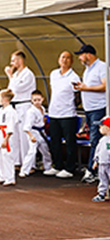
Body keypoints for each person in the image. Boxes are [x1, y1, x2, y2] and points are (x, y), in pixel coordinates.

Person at [73, 44, 107, 183]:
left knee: (95, 140)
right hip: (90, 109)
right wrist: (82, 87)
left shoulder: (102, 67)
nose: (80, 58)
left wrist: (86, 88)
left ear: (88, 54)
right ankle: (97, 169)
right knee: (95, 139)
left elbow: (105, 86)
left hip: (99, 108)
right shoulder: (87, 70)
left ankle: (92, 170)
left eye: (81, 55)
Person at [47, 51, 81, 179]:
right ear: (58, 59)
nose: (65, 60)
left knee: (69, 142)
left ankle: (70, 168)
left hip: (68, 114)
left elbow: (78, 95)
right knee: (55, 141)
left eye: (68, 58)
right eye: (62, 57)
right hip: (53, 113)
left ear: (71, 61)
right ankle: (57, 166)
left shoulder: (74, 77)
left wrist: (72, 105)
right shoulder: (53, 74)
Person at [5, 50, 37, 168]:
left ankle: (28, 164)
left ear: (20, 60)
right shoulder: (17, 75)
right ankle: (17, 161)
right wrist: (12, 77)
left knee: (24, 136)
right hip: (15, 105)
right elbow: (10, 90)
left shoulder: (28, 74)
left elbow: (18, 88)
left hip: (24, 105)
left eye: (13, 60)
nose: (11, 63)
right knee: (15, 135)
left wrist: (10, 76)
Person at [20, 90, 53, 177]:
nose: (37, 102)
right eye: (35, 100)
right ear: (31, 100)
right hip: (33, 132)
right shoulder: (30, 111)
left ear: (42, 99)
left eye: (39, 100)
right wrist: (31, 136)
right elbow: (27, 126)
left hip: (41, 132)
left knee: (45, 151)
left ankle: (48, 167)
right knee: (32, 151)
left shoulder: (42, 108)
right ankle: (24, 170)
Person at [0, 89, 17, 186]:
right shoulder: (0, 110)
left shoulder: (11, 111)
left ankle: (10, 177)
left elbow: (11, 126)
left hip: (5, 135)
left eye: (0, 98)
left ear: (5, 99)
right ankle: (2, 176)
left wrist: (6, 139)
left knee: (7, 157)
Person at [91, 116, 110, 202]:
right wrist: (96, 161)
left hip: (108, 163)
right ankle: (101, 193)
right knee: (102, 179)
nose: (100, 129)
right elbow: (98, 151)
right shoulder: (102, 140)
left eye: (101, 127)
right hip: (102, 163)